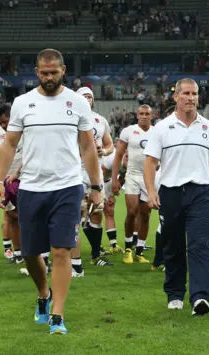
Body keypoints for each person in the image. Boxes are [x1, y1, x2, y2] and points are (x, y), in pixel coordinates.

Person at [0, 49, 101, 334]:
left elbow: (88, 147)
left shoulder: (78, 103)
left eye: (54, 72)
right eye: (44, 72)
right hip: (31, 188)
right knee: (29, 252)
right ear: (37, 72)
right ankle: (44, 293)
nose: (49, 77)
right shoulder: (22, 103)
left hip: (67, 186)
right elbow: (9, 145)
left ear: (63, 70)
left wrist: (96, 185)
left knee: (62, 251)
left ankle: (57, 315)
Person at [143, 78, 209, 316]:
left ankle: (201, 297)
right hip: (170, 193)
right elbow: (150, 163)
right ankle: (174, 293)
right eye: (186, 93)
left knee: (199, 245)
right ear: (176, 97)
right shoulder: (161, 128)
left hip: (200, 192)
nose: (191, 98)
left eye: (195, 93)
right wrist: (151, 191)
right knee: (173, 245)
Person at [74, 86, 115, 272]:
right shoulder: (70, 118)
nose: (87, 99)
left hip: (95, 171)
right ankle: (71, 257)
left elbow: (110, 145)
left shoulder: (100, 120)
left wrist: (103, 151)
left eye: (90, 97)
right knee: (79, 213)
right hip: (75, 170)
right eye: (84, 97)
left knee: (97, 212)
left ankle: (95, 254)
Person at [111, 104, 156, 264]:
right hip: (132, 175)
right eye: (141, 113)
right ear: (137, 116)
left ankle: (139, 251)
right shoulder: (128, 131)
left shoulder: (157, 132)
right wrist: (115, 178)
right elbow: (118, 156)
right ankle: (128, 248)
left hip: (149, 178)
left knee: (146, 214)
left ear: (152, 116)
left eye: (147, 114)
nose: (144, 116)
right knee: (132, 211)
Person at [0, 104, 24, 264]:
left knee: (31, 216)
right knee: (11, 216)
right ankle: (18, 253)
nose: (3, 125)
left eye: (5, 121)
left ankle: (36, 252)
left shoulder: (26, 130)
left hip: (27, 178)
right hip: (7, 182)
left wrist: (18, 172)